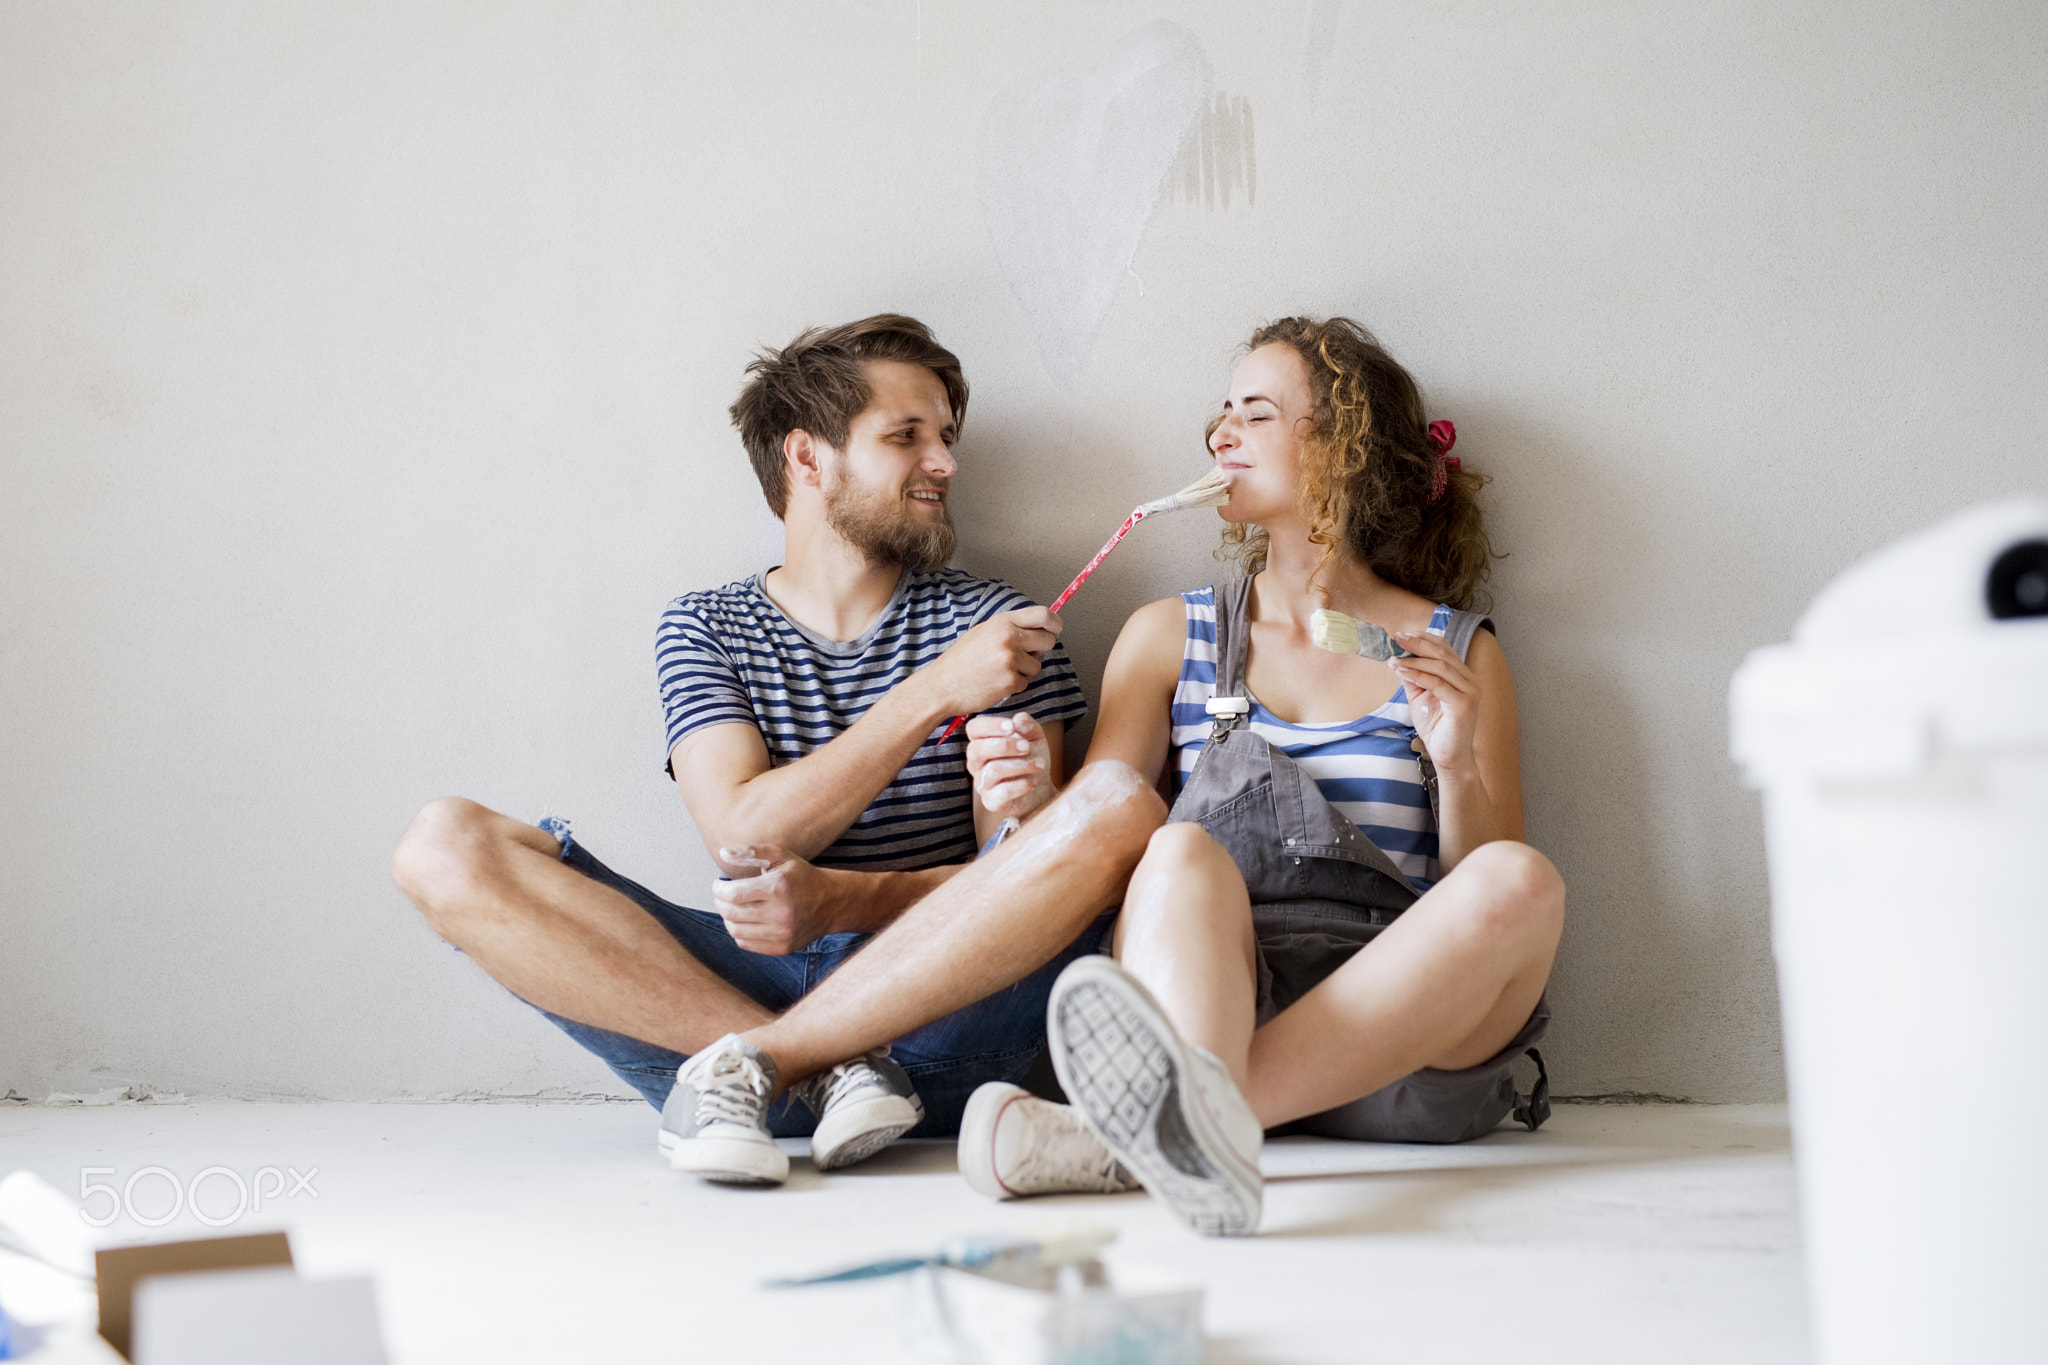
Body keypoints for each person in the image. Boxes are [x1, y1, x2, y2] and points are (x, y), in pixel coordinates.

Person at [392, 313, 1160, 1186]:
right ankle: (812, 1066)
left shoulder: (996, 623)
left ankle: (774, 1058)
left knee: (1110, 810)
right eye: (906, 436)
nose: (944, 462)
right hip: (726, 1003)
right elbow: (743, 835)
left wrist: (989, 824)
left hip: (935, 1021)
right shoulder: (706, 626)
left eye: (946, 436)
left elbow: (1020, 880)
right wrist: (938, 690)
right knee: (440, 845)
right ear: (807, 458)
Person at [952, 317, 1566, 1236]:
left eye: (1257, 413)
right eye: (1221, 414)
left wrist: (1453, 762)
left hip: (1403, 1037)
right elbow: (1092, 854)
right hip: (1215, 1003)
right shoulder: (1170, 635)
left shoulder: (1456, 653)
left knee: (1523, 879)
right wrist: (1023, 799)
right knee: (1174, 850)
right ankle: (1211, 1111)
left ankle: (1165, 1127)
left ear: (1343, 450)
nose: (1220, 435)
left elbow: (1480, 897)